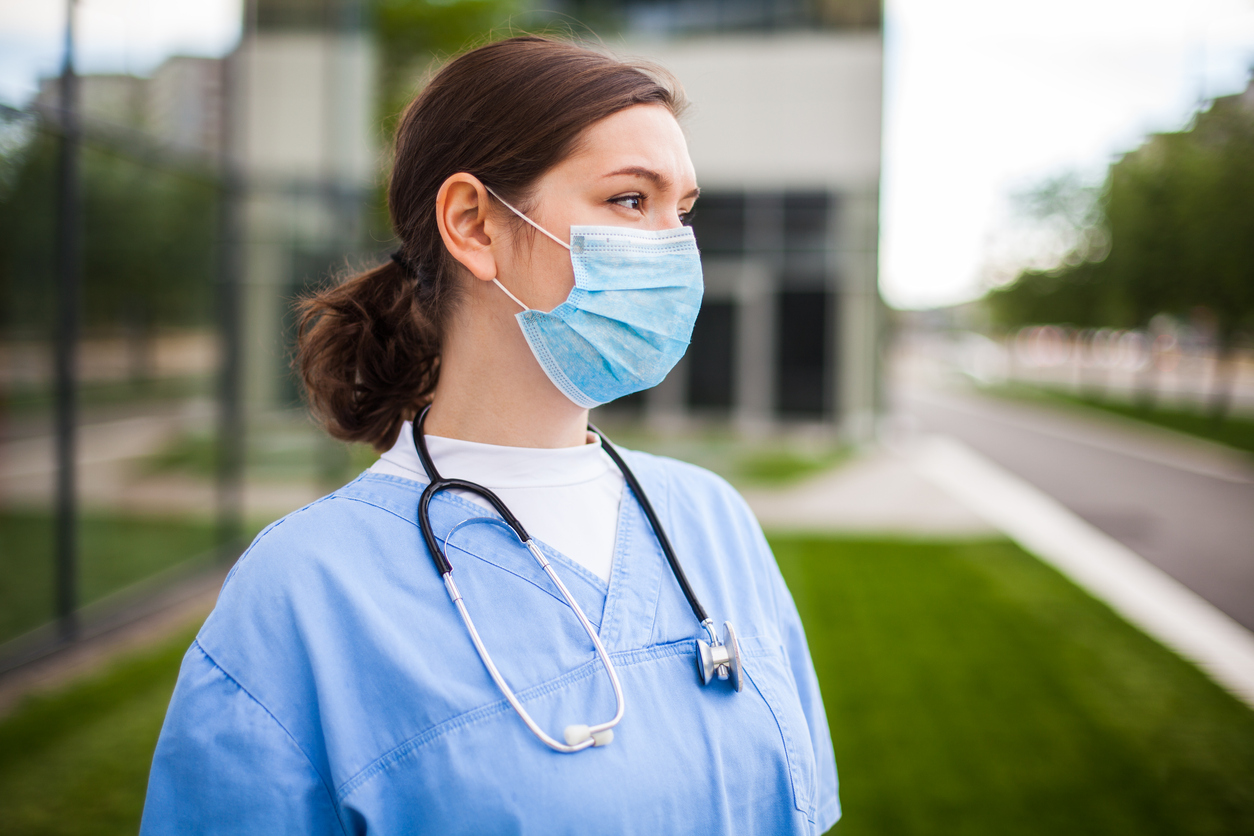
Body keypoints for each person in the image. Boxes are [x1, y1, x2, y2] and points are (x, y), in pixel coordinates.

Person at [140, 35, 839, 835]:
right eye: (629, 200)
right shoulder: (305, 592)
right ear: (474, 224)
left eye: (682, 210)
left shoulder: (712, 520)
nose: (676, 249)